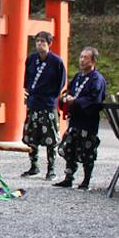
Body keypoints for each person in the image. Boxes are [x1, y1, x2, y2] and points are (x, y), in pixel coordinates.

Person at [54, 46, 107, 190]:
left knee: (87, 150)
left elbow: (94, 99)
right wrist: (65, 98)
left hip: (88, 121)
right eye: (81, 57)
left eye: (85, 58)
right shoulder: (78, 76)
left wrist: (75, 101)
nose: (82, 60)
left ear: (93, 61)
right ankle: (68, 177)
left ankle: (86, 180)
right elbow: (69, 90)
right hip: (75, 119)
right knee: (69, 148)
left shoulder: (97, 79)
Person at [21, 31, 67, 179]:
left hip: (48, 103)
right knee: (32, 137)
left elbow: (61, 82)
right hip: (34, 102)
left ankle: (51, 168)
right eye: (37, 41)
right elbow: (26, 78)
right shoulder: (31, 59)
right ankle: (34, 166)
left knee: (50, 138)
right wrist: (27, 91)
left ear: (49, 44)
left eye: (43, 42)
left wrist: (52, 96)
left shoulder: (56, 61)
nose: (39, 44)